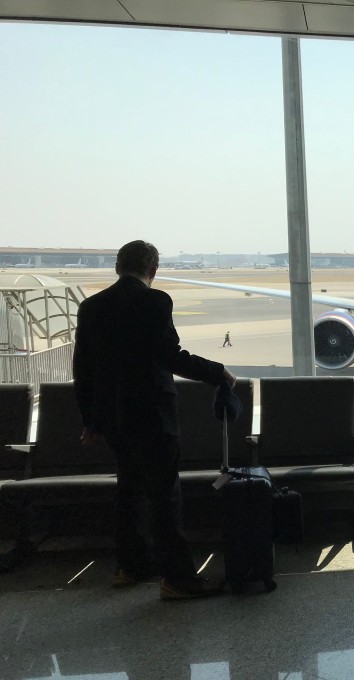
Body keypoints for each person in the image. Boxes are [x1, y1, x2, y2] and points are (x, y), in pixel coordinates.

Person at [73, 240, 236, 600]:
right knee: (165, 498)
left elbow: (82, 369)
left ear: (117, 267)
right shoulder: (155, 301)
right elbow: (169, 356)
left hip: (113, 417)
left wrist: (91, 421)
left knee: (129, 492)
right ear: (153, 270)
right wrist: (217, 371)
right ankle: (177, 579)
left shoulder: (91, 307)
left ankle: (129, 567)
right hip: (151, 414)